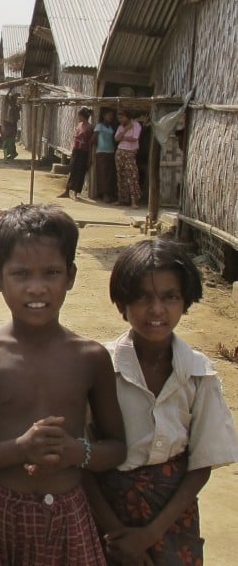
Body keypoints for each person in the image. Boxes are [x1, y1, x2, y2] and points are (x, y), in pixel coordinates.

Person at [0, 205, 126, 565]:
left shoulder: (91, 357)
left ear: (70, 276)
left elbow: (116, 447)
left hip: (69, 518)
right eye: (20, 273)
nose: (36, 288)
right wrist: (20, 449)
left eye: (51, 272)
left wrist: (76, 453)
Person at [85, 239, 238, 565]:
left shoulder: (199, 375)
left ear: (185, 301)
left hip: (172, 517)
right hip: (105, 513)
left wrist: (151, 534)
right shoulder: (99, 369)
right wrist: (117, 533)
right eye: (142, 297)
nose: (156, 309)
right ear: (121, 304)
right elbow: (80, 457)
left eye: (170, 297)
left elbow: (201, 465)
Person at [58, 107, 93, 200]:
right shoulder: (79, 125)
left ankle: (76, 193)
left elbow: (90, 143)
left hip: (83, 152)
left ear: (83, 116)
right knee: (72, 169)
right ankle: (67, 191)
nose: (78, 117)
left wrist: (89, 157)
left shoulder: (89, 127)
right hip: (76, 150)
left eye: (79, 116)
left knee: (80, 172)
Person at [114, 110, 143, 208]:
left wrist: (122, 137)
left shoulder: (136, 125)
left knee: (132, 176)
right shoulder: (121, 127)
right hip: (120, 151)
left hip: (130, 152)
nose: (120, 120)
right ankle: (122, 199)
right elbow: (116, 139)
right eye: (118, 118)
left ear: (127, 116)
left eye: (121, 118)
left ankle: (134, 201)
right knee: (121, 176)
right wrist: (125, 130)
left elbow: (134, 138)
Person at [92, 109, 117, 203]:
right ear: (103, 116)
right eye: (109, 115)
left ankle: (109, 193)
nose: (111, 117)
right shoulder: (99, 126)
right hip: (101, 152)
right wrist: (100, 145)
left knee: (110, 174)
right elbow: (93, 139)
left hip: (110, 152)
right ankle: (104, 194)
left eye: (112, 115)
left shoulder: (110, 127)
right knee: (102, 173)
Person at [1, 94, 20, 160]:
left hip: (10, 130)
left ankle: (7, 157)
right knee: (9, 144)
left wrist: (6, 122)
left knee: (6, 145)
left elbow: (14, 120)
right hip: (10, 130)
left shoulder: (14, 108)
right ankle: (11, 155)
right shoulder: (14, 108)